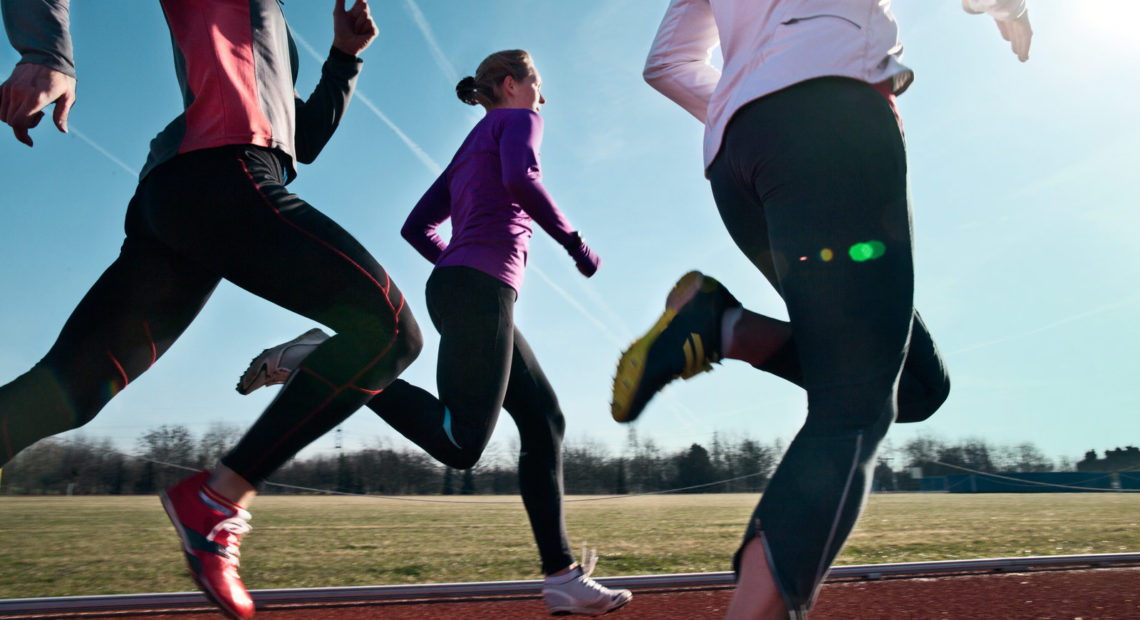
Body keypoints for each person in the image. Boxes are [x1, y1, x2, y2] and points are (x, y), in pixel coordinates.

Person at [0, 2, 422, 618]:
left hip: (188, 196)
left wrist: (343, 59)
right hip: (218, 174)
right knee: (386, 331)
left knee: (68, 389)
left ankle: (216, 500)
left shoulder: (272, 24)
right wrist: (44, 52)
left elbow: (297, 141)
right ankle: (217, 501)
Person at [614, 0, 1032, 618]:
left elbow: (666, 63)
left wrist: (744, 97)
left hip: (739, 162)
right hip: (833, 124)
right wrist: (1010, 10)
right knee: (853, 406)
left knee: (916, 385)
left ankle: (724, 327)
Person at [235, 50, 632, 617]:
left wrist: (458, 265)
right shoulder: (521, 121)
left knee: (544, 421)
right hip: (479, 290)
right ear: (512, 84)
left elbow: (416, 226)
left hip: (465, 287)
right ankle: (322, 354)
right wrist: (574, 244)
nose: (544, 98)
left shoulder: (470, 145)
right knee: (461, 443)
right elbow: (522, 179)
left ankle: (562, 577)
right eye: (538, 84)